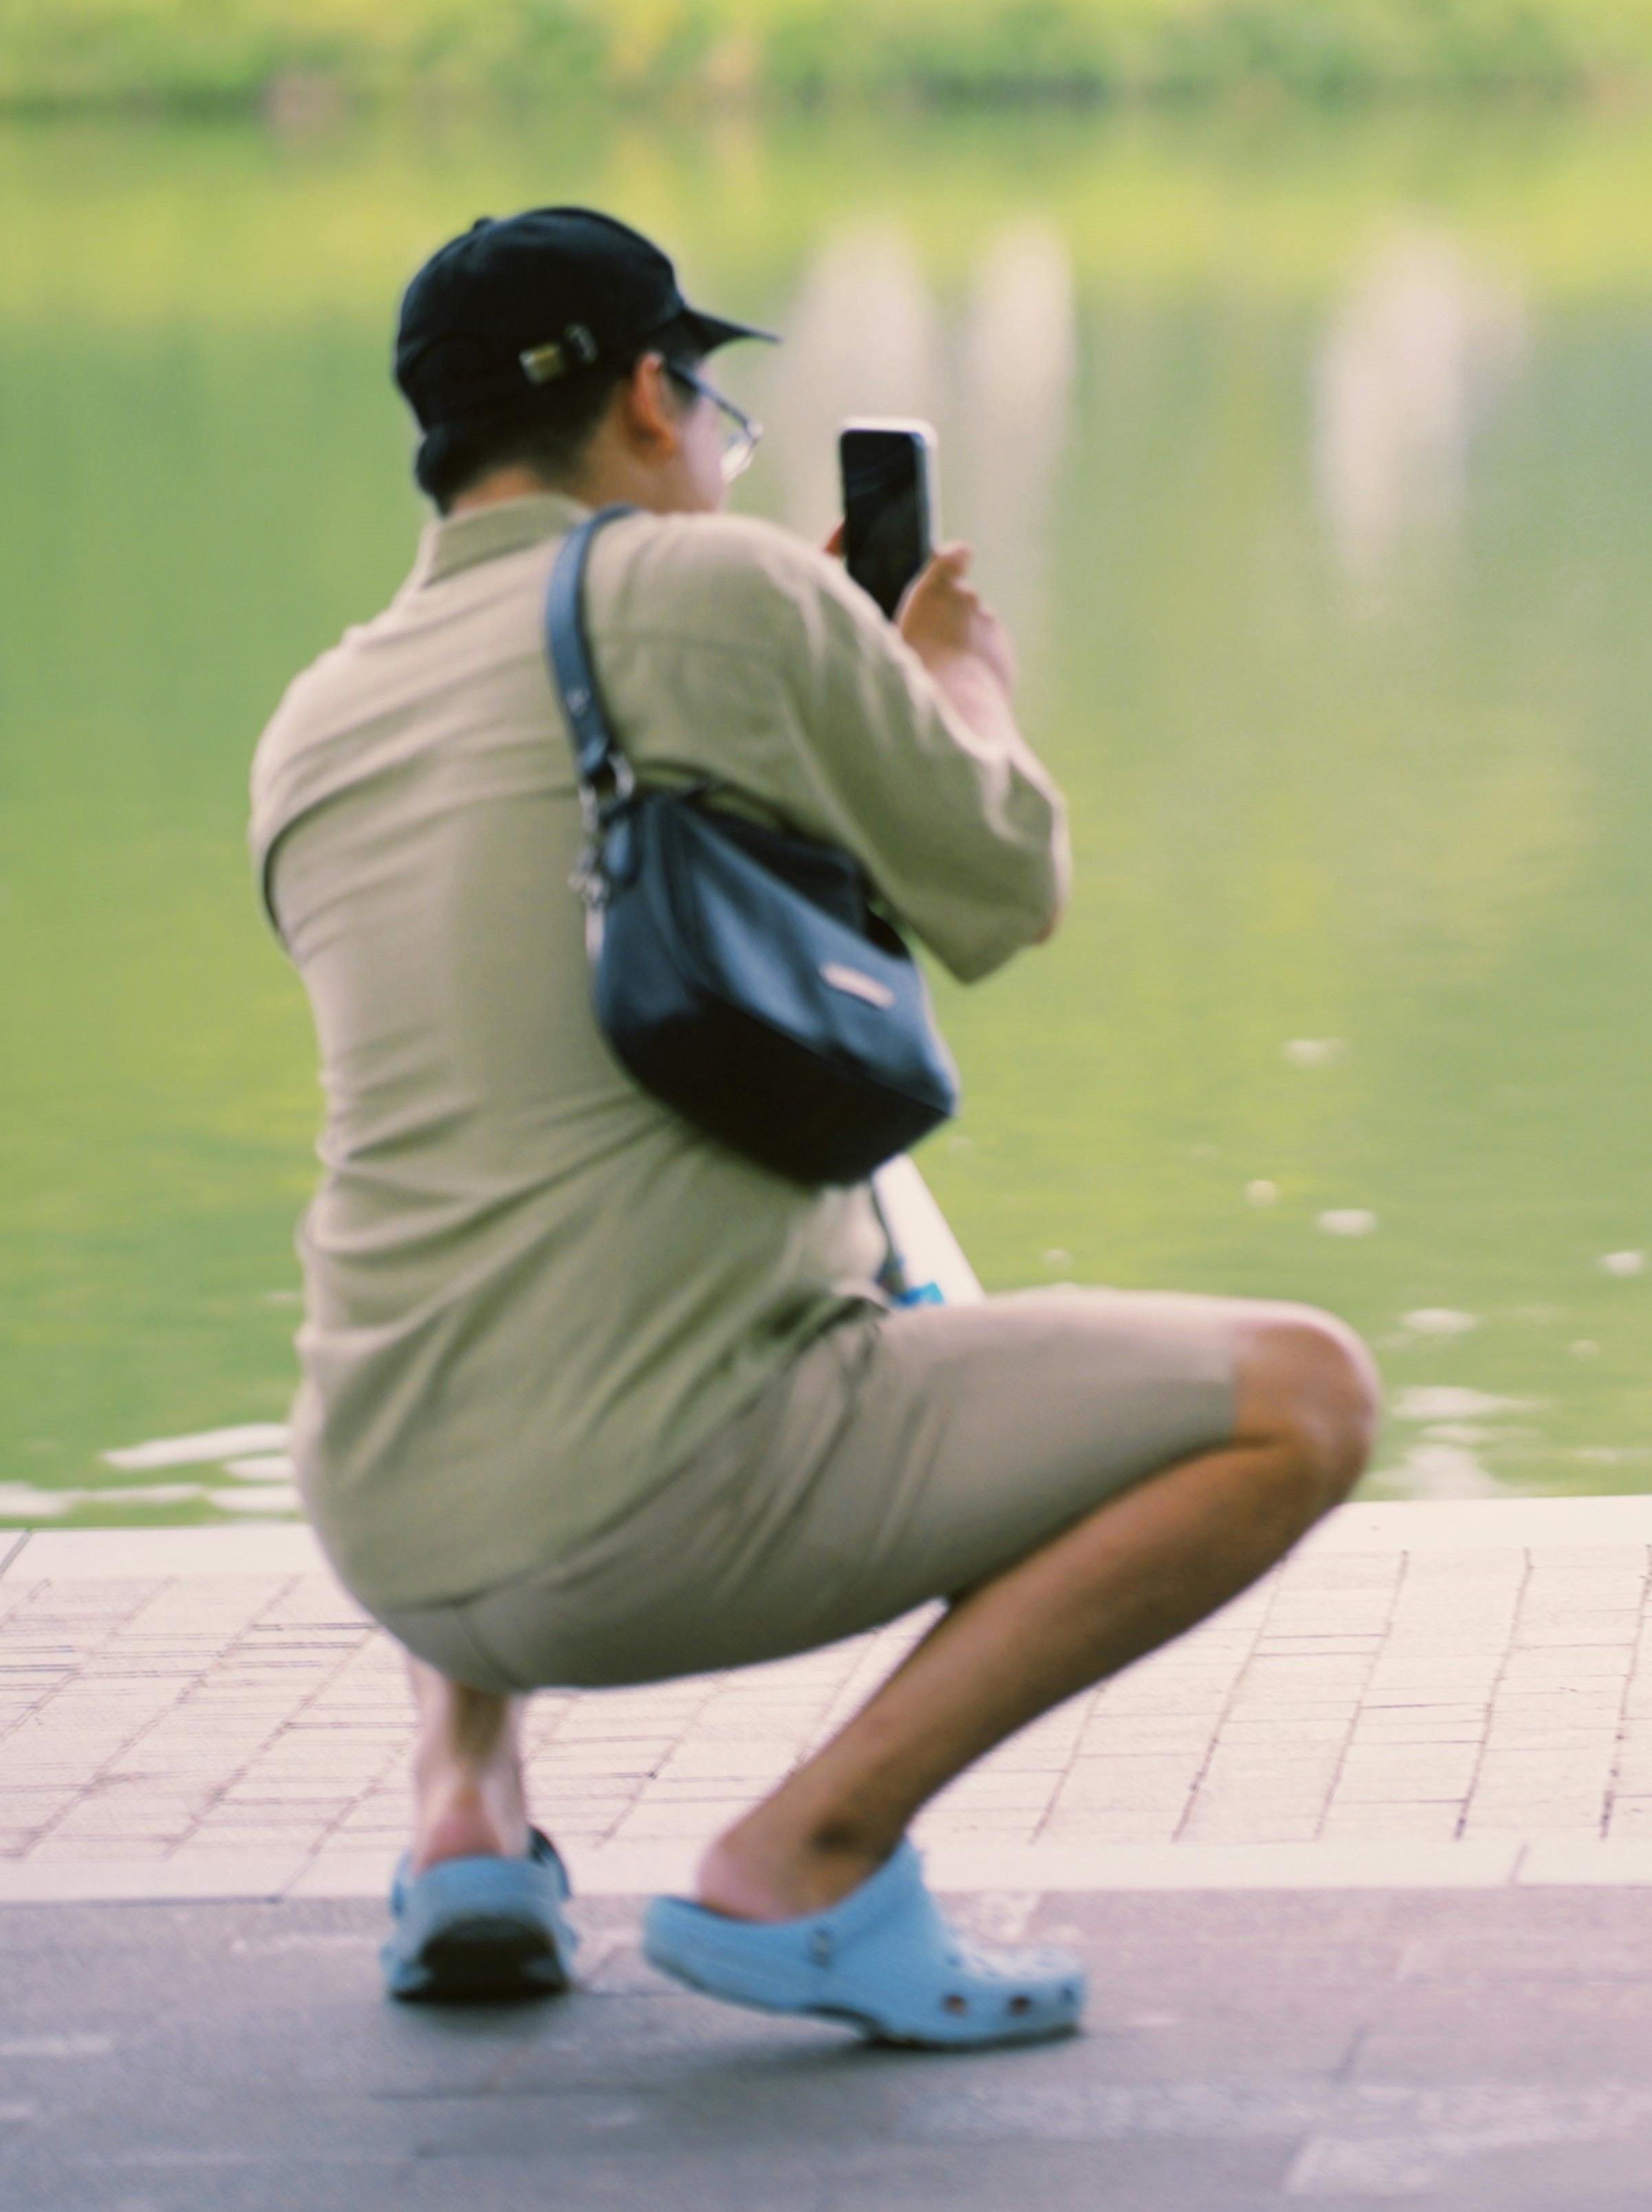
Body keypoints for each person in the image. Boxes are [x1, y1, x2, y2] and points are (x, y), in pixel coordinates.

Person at [249, 207, 1378, 2041]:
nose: (715, 456)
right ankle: (809, 1853)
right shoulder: (722, 592)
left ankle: (464, 1811)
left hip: (381, 1510)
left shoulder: (314, 718)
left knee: (473, 1140)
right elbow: (1004, 885)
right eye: (712, 413)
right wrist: (950, 675)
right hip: (647, 1523)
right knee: (1306, 1397)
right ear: (645, 395)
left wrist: (808, 700)